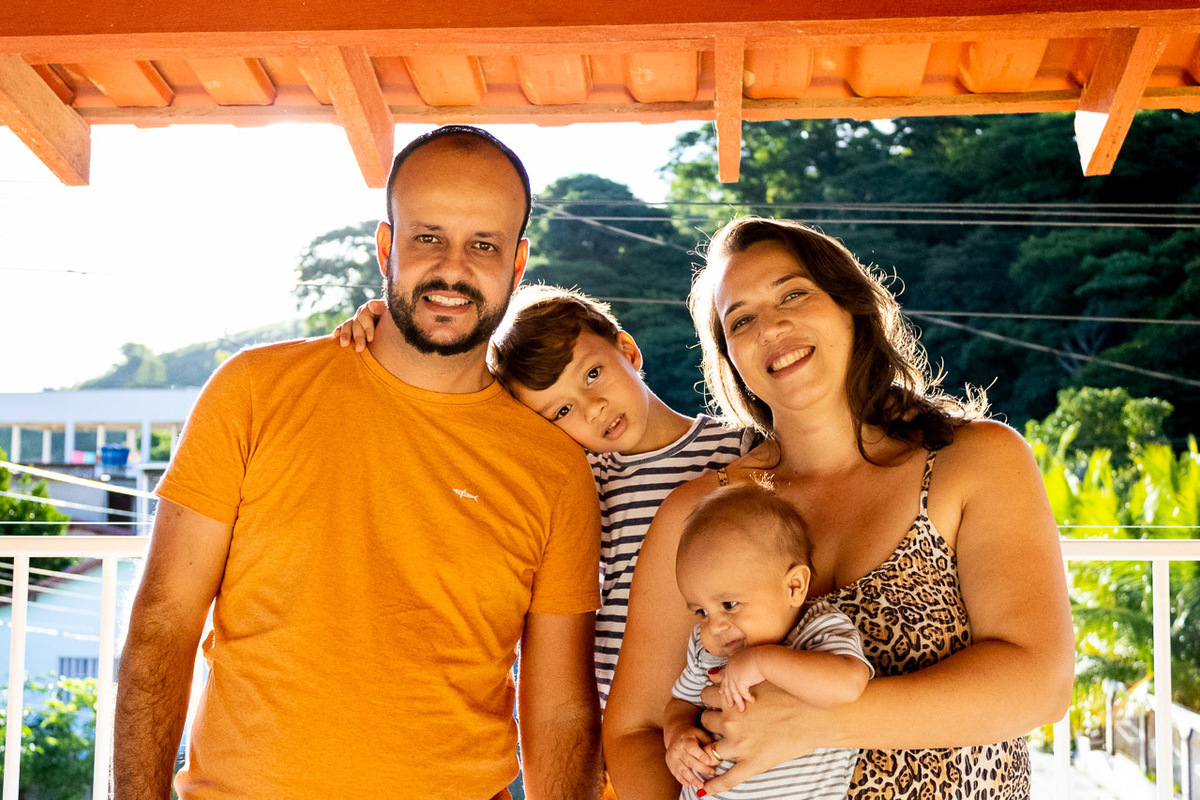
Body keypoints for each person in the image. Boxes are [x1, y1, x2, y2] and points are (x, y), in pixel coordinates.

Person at [113, 126, 604, 800]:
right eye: (428, 237)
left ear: (517, 264)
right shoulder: (255, 391)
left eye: (482, 244)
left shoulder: (554, 468)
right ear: (386, 247)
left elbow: (559, 712)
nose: (453, 268)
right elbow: (163, 623)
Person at [603, 216, 1075, 799]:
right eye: (741, 320)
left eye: (793, 293)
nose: (771, 326)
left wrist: (820, 721)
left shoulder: (972, 460)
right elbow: (638, 729)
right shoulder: (700, 512)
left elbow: (1038, 684)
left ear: (851, 307)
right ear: (731, 360)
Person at [335, 284, 750, 707]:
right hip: (626, 718)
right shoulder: (579, 483)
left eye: (592, 374)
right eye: (562, 411)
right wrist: (390, 340)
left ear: (626, 350)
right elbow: (450, 426)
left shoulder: (742, 446)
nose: (592, 408)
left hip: (734, 698)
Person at [665, 483, 872, 800]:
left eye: (730, 605)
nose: (716, 626)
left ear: (794, 587)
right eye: (701, 612)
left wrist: (764, 661)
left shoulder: (816, 630)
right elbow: (681, 704)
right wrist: (678, 733)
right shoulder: (707, 651)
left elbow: (847, 686)